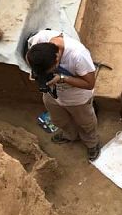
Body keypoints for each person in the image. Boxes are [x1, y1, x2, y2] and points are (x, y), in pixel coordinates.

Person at [25, 29, 101, 161]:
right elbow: (28, 56)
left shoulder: (78, 56)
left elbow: (90, 84)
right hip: (52, 95)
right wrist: (37, 75)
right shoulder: (40, 40)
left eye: (49, 71)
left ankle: (91, 143)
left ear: (57, 59)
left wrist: (62, 78)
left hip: (77, 99)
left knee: (86, 123)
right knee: (59, 120)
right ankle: (70, 135)